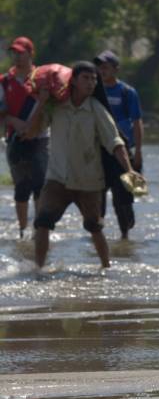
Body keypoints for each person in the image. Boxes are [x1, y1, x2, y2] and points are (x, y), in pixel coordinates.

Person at [25, 61, 137, 268]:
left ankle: (105, 269)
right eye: (86, 78)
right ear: (73, 81)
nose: (91, 82)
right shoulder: (56, 107)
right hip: (57, 178)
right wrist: (41, 102)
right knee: (42, 223)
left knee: (95, 227)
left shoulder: (96, 110)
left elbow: (115, 142)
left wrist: (129, 170)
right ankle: (39, 270)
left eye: (94, 79)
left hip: (89, 181)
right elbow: (30, 132)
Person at [0, 36, 48, 238]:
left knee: (41, 185)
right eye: (14, 53)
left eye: (21, 52)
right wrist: (13, 121)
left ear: (31, 54)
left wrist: (36, 126)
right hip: (15, 138)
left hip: (41, 139)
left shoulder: (43, 79)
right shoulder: (4, 81)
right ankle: (22, 231)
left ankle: (39, 229)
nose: (17, 57)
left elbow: (53, 108)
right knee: (21, 187)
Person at [94, 50, 143, 240]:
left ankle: (125, 235)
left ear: (116, 69)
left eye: (105, 67)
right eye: (99, 67)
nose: (101, 71)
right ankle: (98, 235)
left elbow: (137, 122)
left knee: (122, 199)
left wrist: (138, 151)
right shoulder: (94, 91)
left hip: (122, 151)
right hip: (98, 152)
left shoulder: (126, 92)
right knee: (97, 197)